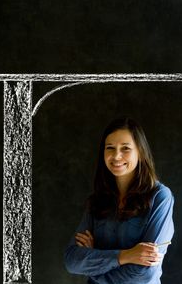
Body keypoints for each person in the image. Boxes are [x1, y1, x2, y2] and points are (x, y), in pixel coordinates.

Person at [64, 117, 174, 284]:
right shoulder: (96, 200)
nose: (116, 156)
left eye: (125, 148)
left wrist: (95, 265)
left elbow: (145, 272)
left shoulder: (160, 197)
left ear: (140, 152)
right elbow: (72, 261)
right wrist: (125, 256)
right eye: (110, 148)